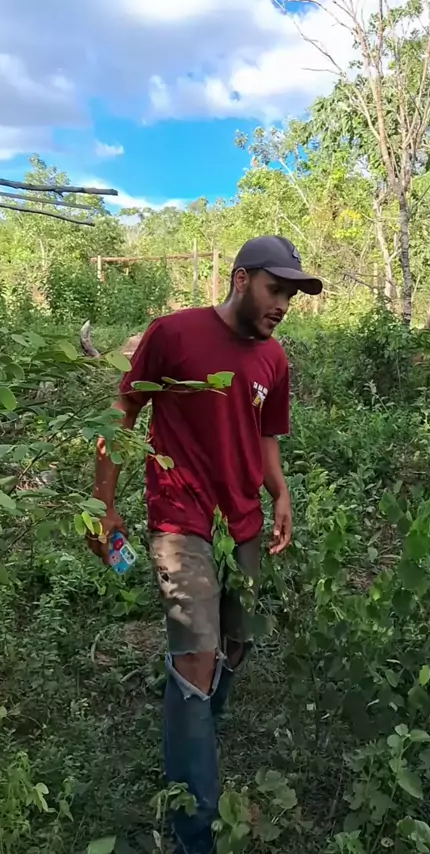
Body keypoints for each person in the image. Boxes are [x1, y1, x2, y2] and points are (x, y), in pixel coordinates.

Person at [87, 235, 323, 854]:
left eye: (292, 295)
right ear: (241, 280)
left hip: (241, 520)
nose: (284, 305)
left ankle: (196, 737)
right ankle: (196, 828)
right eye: (275, 289)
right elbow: (123, 410)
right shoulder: (175, 334)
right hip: (180, 515)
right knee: (197, 654)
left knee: (236, 644)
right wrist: (103, 504)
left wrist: (279, 492)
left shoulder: (274, 359)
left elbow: (266, 435)